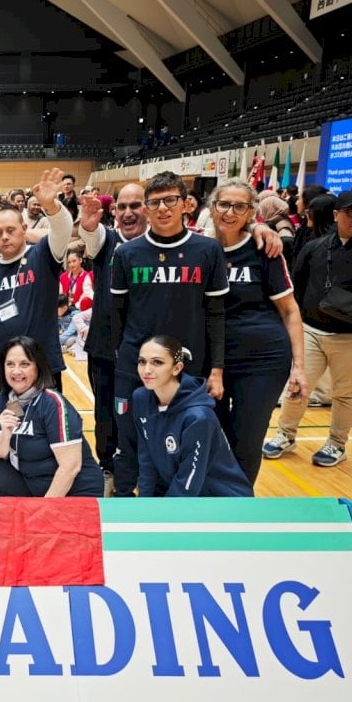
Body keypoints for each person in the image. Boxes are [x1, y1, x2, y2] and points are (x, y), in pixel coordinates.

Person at [109, 171, 230, 497]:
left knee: (179, 443)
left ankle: (172, 507)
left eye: (170, 200)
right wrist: (123, 359)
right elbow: (117, 314)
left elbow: (216, 314)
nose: (163, 208)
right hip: (135, 367)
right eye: (155, 202)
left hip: (187, 369)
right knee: (128, 440)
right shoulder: (126, 254)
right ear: (146, 208)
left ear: (186, 204)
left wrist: (216, 368)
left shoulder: (208, 250)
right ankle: (123, 499)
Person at [263, 188, 352, 467]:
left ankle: (337, 443)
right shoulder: (315, 248)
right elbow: (295, 288)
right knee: (297, 386)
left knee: (345, 393)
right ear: (337, 214)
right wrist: (289, 326)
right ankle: (285, 434)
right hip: (311, 331)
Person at [206, 180, 308, 483]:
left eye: (240, 207)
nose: (230, 212)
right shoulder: (199, 248)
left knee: (247, 440)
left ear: (251, 212)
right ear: (212, 208)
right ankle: (213, 498)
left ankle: (240, 501)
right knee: (210, 432)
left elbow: (289, 310)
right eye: (224, 204)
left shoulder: (264, 249)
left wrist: (299, 367)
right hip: (211, 359)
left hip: (262, 360)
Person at [0, 169, 74, 394]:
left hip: (43, 368)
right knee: (7, 418)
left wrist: (51, 206)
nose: (5, 236)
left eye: (10, 230)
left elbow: (62, 231)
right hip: (3, 373)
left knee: (46, 417)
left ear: (24, 229)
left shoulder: (41, 255)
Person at [78, 185, 147, 492]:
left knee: (145, 413)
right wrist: (88, 225)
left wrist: (259, 228)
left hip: (146, 351)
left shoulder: (160, 244)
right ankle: (108, 468)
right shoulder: (107, 241)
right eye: (122, 207)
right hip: (105, 347)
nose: (128, 212)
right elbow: (91, 236)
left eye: (136, 205)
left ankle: (144, 470)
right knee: (105, 413)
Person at [0, 336, 103, 497]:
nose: (16, 371)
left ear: (38, 367)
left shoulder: (52, 403)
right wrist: (5, 435)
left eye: (24, 364)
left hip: (73, 488)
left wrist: (44, 508)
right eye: (10, 364)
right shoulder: (4, 400)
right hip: (34, 483)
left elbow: (70, 467)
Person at [133, 336, 253, 497]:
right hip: (184, 495)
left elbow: (188, 483)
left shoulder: (198, 417)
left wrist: (164, 512)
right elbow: (146, 459)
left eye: (157, 362)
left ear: (177, 368)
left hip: (221, 498)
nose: (147, 370)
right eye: (142, 362)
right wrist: (144, 503)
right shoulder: (141, 399)